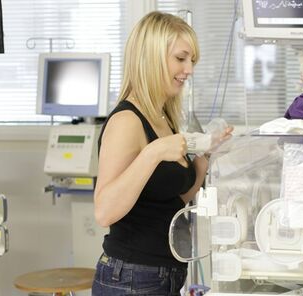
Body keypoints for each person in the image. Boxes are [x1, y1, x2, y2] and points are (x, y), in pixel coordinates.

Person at [91, 11, 229, 295]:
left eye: (192, 60)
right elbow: (104, 212)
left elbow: (173, 199)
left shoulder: (163, 117)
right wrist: (153, 152)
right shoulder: (127, 121)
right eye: (181, 59)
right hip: (130, 277)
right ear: (151, 58)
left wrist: (208, 153)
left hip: (164, 275)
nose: (189, 69)